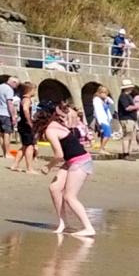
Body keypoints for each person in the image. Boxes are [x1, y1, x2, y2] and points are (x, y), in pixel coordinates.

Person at [38, 99, 95, 236]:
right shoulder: (55, 124)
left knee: (70, 196)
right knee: (54, 188)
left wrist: (48, 166)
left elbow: (59, 155)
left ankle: (88, 228)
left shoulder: (51, 130)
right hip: (72, 160)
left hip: (80, 161)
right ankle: (63, 223)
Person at [11, 81, 39, 173]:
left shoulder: (23, 99)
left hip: (22, 124)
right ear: (29, 90)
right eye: (34, 90)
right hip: (25, 124)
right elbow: (25, 109)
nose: (35, 92)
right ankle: (29, 168)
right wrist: (29, 121)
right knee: (29, 146)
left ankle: (15, 165)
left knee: (24, 146)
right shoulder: (27, 100)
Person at [0, 76, 17, 161]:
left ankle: (4, 152)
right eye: (16, 85)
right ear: (13, 82)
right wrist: (13, 116)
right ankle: (7, 153)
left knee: (2, 133)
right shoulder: (9, 90)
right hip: (5, 113)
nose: (16, 87)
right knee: (7, 133)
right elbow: (9, 103)